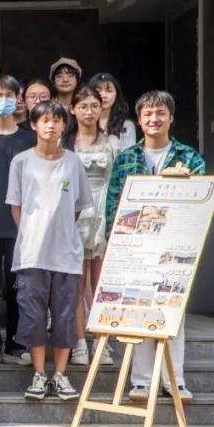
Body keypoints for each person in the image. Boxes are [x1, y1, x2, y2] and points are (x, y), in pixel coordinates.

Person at [105, 90, 205, 403]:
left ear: (171, 118)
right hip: (136, 248)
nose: (154, 119)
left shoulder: (190, 158)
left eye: (161, 113)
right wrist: (115, 245)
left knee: (173, 311)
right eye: (148, 114)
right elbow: (113, 204)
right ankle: (142, 381)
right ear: (139, 119)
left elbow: (202, 201)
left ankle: (174, 380)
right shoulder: (126, 158)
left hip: (175, 246)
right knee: (138, 310)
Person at [7, 100, 92, 401]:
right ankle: (39, 374)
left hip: (66, 254)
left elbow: (78, 207)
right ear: (33, 124)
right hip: (31, 254)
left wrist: (59, 230)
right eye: (44, 120)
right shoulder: (21, 162)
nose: (51, 125)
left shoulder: (73, 162)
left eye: (57, 120)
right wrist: (33, 234)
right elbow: (16, 207)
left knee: (65, 316)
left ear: (64, 125)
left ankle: (60, 375)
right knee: (33, 316)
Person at [0, 76, 36, 367]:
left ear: (18, 98)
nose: (4, 101)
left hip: (21, 225)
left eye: (9, 95)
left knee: (19, 288)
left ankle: (16, 343)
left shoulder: (30, 139)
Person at [69, 86, 117, 367]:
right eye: (83, 106)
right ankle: (79, 343)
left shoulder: (111, 142)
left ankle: (102, 342)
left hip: (103, 214)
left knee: (101, 284)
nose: (89, 112)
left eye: (94, 106)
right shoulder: (66, 142)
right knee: (77, 284)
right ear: (73, 109)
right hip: (75, 214)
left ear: (101, 108)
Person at [89, 72, 137, 152]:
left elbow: (129, 156)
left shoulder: (126, 125)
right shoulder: (82, 123)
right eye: (98, 91)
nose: (103, 95)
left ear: (116, 94)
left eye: (109, 91)